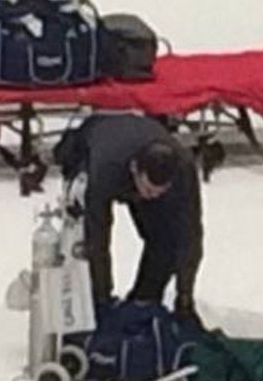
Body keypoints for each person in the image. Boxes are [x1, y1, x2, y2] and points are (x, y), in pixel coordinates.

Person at [51, 114, 203, 324]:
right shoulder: (105, 168)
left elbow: (190, 233)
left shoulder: (183, 169)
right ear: (135, 170)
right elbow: (98, 237)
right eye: (149, 189)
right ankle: (93, 303)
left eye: (160, 191)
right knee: (84, 242)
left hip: (138, 143)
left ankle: (144, 302)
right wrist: (103, 302)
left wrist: (185, 296)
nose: (153, 195)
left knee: (166, 239)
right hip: (91, 147)